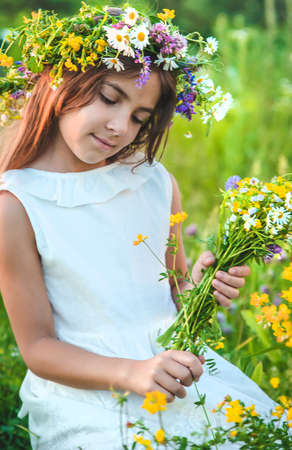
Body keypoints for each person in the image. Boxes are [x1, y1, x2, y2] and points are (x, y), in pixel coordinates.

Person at [0, 4, 276, 449]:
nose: (119, 127)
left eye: (139, 119)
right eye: (110, 99)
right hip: (87, 390)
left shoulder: (152, 181)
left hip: (174, 372)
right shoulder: (18, 204)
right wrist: (133, 373)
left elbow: (173, 292)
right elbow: (38, 348)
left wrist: (200, 289)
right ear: (63, 80)